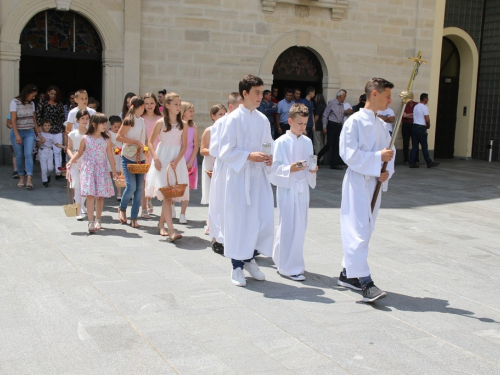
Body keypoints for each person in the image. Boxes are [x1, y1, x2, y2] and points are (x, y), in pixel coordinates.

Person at [337, 77, 395, 303]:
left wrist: (385, 170)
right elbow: (348, 154)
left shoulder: (382, 124)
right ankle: (365, 281)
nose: (390, 100)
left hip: (375, 183)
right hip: (358, 181)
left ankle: (346, 274)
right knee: (357, 230)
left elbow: (390, 153)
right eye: (387, 95)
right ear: (374, 94)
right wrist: (375, 159)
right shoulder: (355, 122)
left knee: (366, 229)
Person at [218, 75, 274, 287]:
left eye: (262, 92)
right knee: (238, 220)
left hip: (257, 177)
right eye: (257, 92)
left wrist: (269, 157)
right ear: (245, 93)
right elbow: (225, 150)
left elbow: (269, 144)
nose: (261, 96)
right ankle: (236, 266)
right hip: (239, 177)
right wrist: (248, 156)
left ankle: (250, 258)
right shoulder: (232, 119)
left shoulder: (262, 119)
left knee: (258, 220)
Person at [271, 103, 317, 281]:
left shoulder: (307, 141)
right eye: (299, 123)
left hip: (302, 188)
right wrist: (289, 168)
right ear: (289, 121)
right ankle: (289, 267)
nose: (302, 127)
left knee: (300, 226)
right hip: (288, 188)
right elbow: (274, 168)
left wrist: (312, 170)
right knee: (288, 225)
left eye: (305, 123)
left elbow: (309, 163)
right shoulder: (280, 142)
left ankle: (281, 257)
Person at [145, 92, 189, 241]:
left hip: (176, 160)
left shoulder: (183, 124)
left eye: (180, 103)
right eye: (176, 104)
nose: (179, 106)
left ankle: (161, 224)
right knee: (167, 195)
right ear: (167, 105)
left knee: (170, 195)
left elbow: (185, 145)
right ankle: (171, 230)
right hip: (162, 158)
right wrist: (155, 158)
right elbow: (150, 142)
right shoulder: (160, 123)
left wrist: (177, 160)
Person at [66, 113, 117, 233]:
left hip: (102, 169)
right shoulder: (86, 138)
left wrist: (114, 171)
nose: (105, 125)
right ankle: (90, 222)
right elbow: (79, 152)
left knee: (100, 196)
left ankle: (98, 219)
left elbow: (110, 154)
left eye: (105, 123)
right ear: (94, 124)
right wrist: (71, 161)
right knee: (90, 195)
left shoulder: (106, 139)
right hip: (88, 169)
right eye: (102, 123)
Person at [208, 92, 243, 255]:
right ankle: (217, 238)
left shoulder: (243, 122)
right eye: (239, 106)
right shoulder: (220, 123)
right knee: (219, 202)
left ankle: (234, 237)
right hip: (223, 168)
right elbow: (214, 149)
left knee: (235, 204)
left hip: (239, 169)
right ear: (231, 106)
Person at [116, 96, 148, 228]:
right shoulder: (129, 121)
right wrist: (134, 142)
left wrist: (145, 149)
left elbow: (144, 139)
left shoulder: (142, 120)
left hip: (140, 158)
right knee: (131, 187)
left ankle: (134, 216)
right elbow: (119, 137)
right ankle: (122, 208)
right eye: (143, 106)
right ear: (140, 107)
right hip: (128, 156)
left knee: (139, 189)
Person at [201, 104, 226, 235]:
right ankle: (210, 223)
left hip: (223, 163)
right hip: (211, 162)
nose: (223, 117)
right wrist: (215, 152)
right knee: (213, 194)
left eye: (224, 114)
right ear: (213, 116)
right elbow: (202, 150)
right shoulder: (209, 130)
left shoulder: (227, 129)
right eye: (220, 114)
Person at [10, 84, 40, 190]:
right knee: (19, 155)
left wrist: (38, 134)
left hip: (29, 132)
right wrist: (17, 135)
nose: (34, 98)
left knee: (28, 154)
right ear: (27, 93)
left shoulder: (31, 103)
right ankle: (21, 177)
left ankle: (29, 178)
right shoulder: (14, 102)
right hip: (17, 132)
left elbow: (34, 119)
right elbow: (13, 120)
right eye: (33, 95)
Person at [36, 85, 66, 178]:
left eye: (55, 94)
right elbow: (38, 115)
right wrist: (40, 127)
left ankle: (58, 171)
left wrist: (61, 128)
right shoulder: (43, 102)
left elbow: (62, 117)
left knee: (57, 151)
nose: (53, 95)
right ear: (48, 93)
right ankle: (46, 172)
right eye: (51, 93)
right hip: (45, 128)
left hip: (57, 129)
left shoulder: (60, 104)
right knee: (46, 149)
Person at [141, 92, 163, 217]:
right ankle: (143, 207)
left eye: (152, 103)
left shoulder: (159, 119)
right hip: (144, 151)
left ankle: (149, 199)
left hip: (156, 151)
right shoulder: (141, 118)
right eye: (146, 103)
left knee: (153, 178)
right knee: (143, 180)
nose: (149, 106)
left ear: (156, 104)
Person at [178, 101, 199, 224]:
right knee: (174, 183)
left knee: (186, 187)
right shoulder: (177, 125)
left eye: (193, 111)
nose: (192, 113)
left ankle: (182, 213)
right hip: (178, 156)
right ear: (183, 112)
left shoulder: (194, 127)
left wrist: (191, 160)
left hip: (189, 157)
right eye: (190, 111)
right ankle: (171, 208)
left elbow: (196, 146)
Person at [67, 110, 90, 221]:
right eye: (82, 118)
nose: (85, 121)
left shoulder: (90, 133)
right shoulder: (73, 133)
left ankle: (83, 204)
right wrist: (72, 158)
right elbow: (68, 148)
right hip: (76, 160)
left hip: (87, 160)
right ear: (77, 120)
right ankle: (78, 209)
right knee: (78, 185)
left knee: (86, 185)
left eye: (86, 118)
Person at [317, 89, 348, 170]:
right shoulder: (332, 103)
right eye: (344, 96)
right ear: (340, 96)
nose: (345, 97)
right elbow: (325, 115)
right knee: (329, 144)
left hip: (338, 125)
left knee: (336, 145)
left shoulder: (342, 105)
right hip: (332, 124)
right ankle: (317, 157)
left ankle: (334, 164)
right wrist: (324, 126)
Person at [410, 93, 439, 169]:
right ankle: (428, 162)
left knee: (414, 146)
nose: (428, 100)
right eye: (427, 98)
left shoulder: (415, 106)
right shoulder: (424, 107)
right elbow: (427, 119)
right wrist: (428, 125)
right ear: (425, 98)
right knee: (424, 146)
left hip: (414, 126)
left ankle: (412, 162)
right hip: (421, 127)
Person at [36, 118, 65, 187]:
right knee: (44, 168)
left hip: (50, 151)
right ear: (42, 126)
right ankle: (44, 181)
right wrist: (41, 141)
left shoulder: (52, 136)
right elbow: (37, 144)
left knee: (50, 168)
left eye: (48, 125)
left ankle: (48, 175)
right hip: (42, 151)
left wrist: (64, 147)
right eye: (45, 125)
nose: (47, 127)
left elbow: (56, 144)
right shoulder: (40, 135)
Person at [107, 116, 124, 201]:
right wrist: (114, 146)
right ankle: (108, 191)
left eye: (119, 127)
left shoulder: (121, 133)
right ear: (111, 125)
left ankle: (119, 193)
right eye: (115, 127)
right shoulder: (109, 133)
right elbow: (108, 142)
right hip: (112, 154)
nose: (117, 129)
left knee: (118, 174)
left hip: (119, 154)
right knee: (108, 173)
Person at [402, 99, 418, 166]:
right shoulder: (404, 104)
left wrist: (408, 115)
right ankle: (406, 160)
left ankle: (416, 160)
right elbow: (404, 115)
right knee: (406, 143)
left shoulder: (416, 105)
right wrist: (413, 115)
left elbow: (418, 115)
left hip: (414, 125)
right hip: (405, 125)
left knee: (415, 143)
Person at [313, 93, 327, 157]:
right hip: (323, 126)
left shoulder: (319, 106)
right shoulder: (325, 106)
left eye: (315, 97)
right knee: (321, 143)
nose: (314, 99)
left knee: (317, 143)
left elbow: (316, 117)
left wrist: (313, 125)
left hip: (318, 126)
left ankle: (318, 158)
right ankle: (321, 157)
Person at [6, 114, 18, 178]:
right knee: (15, 152)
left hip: (24, 132)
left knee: (24, 152)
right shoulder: (11, 113)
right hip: (14, 134)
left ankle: (24, 169)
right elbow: (8, 124)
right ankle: (15, 170)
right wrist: (13, 126)